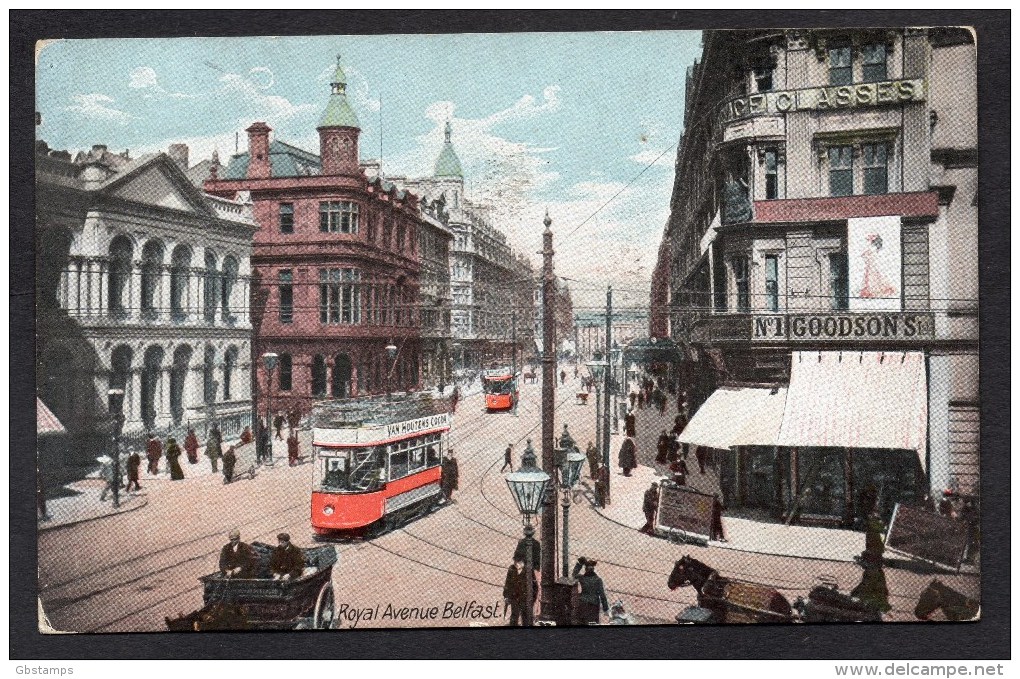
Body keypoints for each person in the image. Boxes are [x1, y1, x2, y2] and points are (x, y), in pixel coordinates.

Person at [572, 557, 609, 624]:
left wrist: (579, 564)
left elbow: (574, 574)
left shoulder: (582, 578)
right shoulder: (598, 580)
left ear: (585, 569)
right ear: (593, 569)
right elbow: (602, 595)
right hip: (593, 605)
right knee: (592, 624)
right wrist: (605, 608)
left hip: (582, 603)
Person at [502, 556, 537, 626]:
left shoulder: (529, 570)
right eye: (515, 561)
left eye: (519, 562)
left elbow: (535, 586)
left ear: (523, 562)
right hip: (514, 597)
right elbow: (507, 583)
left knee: (526, 618)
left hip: (525, 598)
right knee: (514, 617)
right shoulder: (512, 569)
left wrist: (533, 599)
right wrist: (506, 596)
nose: (516, 564)